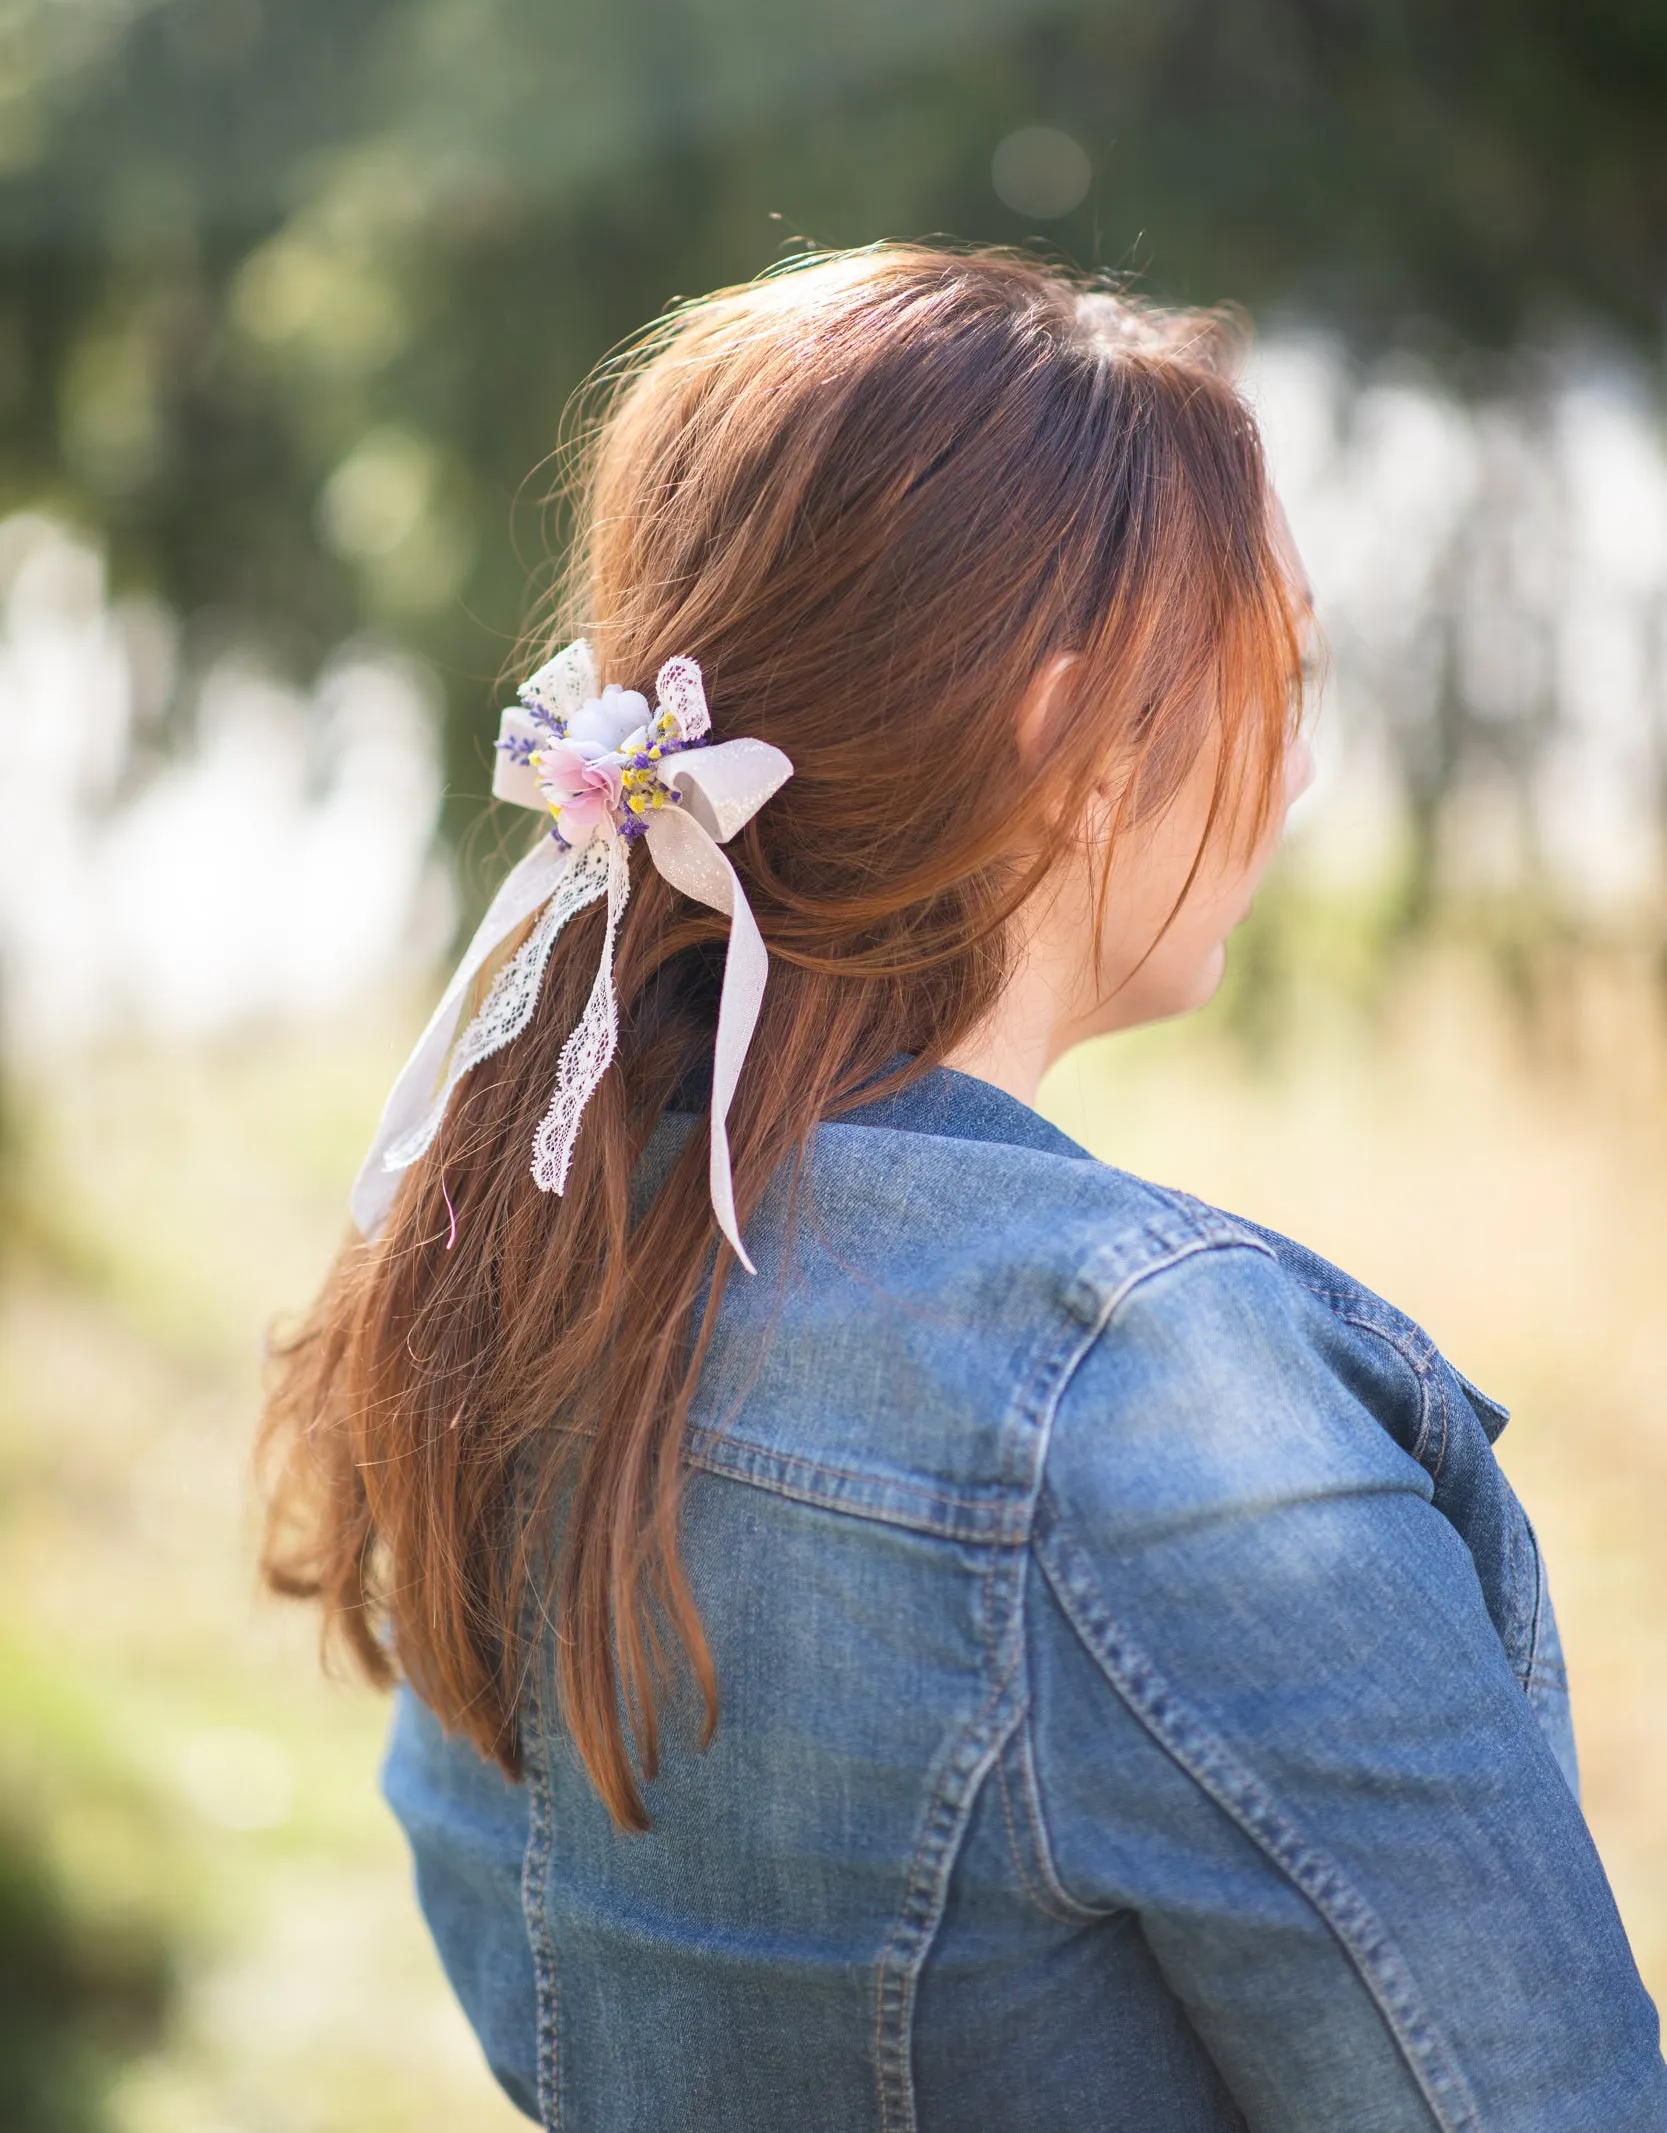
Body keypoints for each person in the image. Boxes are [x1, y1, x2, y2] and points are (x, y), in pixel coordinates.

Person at [260, 245, 1667, 2131]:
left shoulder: (525, 1249)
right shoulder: (1144, 1384)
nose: (1303, 770)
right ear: (1073, 738)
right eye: (1278, 679)